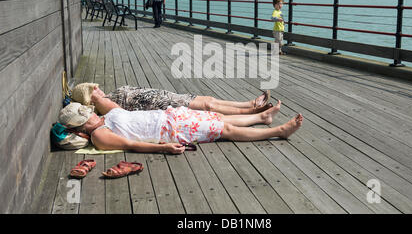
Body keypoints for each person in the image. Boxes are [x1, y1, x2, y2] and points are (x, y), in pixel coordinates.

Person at [58, 96, 303, 155]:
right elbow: (131, 145)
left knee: (218, 119)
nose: (90, 114)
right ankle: (278, 132)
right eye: (85, 116)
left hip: (170, 116)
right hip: (170, 131)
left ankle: (261, 118)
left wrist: (94, 99)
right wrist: (163, 148)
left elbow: (104, 101)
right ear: (82, 127)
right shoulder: (100, 134)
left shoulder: (105, 116)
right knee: (223, 131)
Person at [72, 83, 271, 116]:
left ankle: (250, 103)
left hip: (162, 95)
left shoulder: (106, 96)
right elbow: (121, 114)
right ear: (90, 98)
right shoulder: (102, 103)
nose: (97, 88)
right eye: (93, 89)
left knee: (208, 98)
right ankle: (252, 111)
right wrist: (96, 102)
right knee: (208, 106)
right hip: (159, 104)